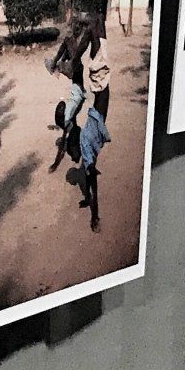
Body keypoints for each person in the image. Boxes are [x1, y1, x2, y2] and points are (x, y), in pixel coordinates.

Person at [75, 19, 112, 231]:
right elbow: (89, 170)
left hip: (101, 91)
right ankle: (92, 208)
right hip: (101, 93)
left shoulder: (85, 142)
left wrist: (94, 216)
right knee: (97, 34)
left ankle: (95, 214)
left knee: (95, 32)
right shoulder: (85, 141)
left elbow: (90, 173)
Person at [47, 13, 87, 173]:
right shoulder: (73, 44)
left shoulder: (72, 45)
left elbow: (60, 59)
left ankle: (68, 155)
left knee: (66, 123)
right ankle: (75, 150)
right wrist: (57, 65)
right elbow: (60, 57)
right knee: (71, 123)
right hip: (76, 89)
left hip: (78, 92)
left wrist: (57, 66)